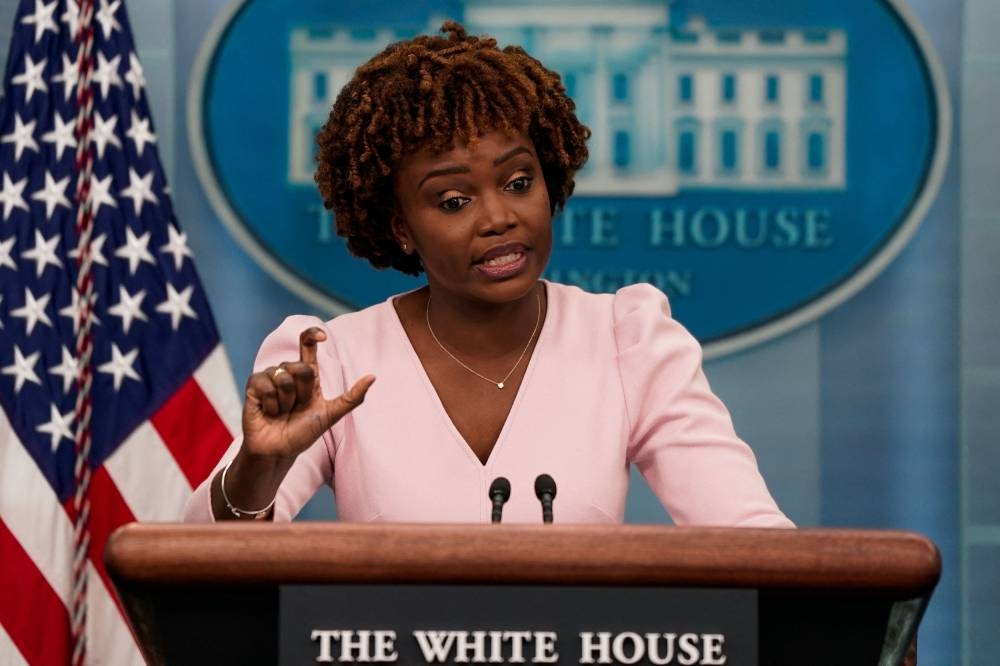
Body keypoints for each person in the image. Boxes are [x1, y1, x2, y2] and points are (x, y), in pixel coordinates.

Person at [184, 22, 791, 527]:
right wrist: (259, 468)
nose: (499, 218)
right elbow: (207, 569)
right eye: (453, 201)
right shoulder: (334, 359)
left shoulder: (626, 339)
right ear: (399, 224)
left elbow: (750, 539)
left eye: (518, 182)